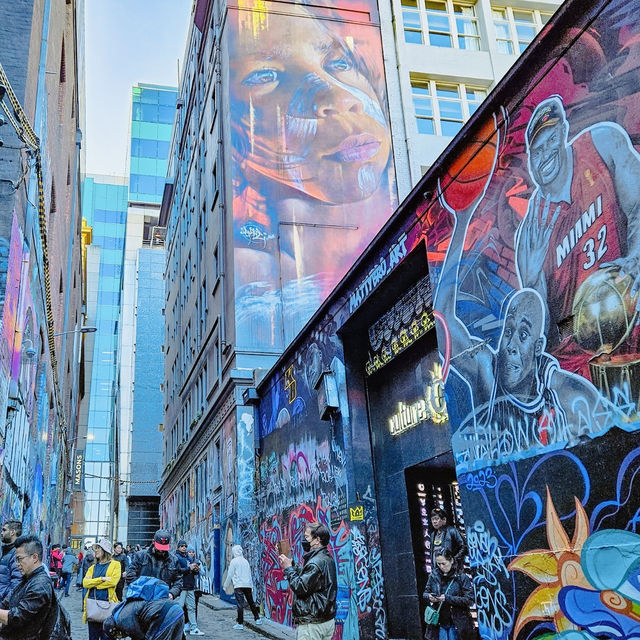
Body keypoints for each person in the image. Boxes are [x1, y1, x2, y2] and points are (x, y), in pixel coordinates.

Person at [433, 122, 619, 471]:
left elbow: (607, 428)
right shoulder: (486, 372)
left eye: (523, 334)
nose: (511, 345)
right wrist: (460, 223)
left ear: (537, 348)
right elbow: (443, 315)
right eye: (508, 331)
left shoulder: (560, 390)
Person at [229, 1, 397, 349]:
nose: (337, 96)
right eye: (265, 75)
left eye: (338, 63)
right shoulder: (256, 290)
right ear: (236, 137)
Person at [516, 95, 640, 373]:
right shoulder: (530, 233)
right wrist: (535, 278)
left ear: (563, 132)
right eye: (537, 150)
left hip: (629, 318)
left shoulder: (602, 144)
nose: (545, 154)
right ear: (531, 160)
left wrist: (636, 257)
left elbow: (638, 206)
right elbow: (545, 333)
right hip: (578, 358)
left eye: (550, 141)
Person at [278, 523, 337, 640]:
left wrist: (289, 569)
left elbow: (300, 587)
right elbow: (310, 579)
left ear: (317, 540)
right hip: (326, 621)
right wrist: (291, 564)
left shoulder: (316, 562)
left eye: (307, 537)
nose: (304, 540)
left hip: (313, 624)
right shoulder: (326, 558)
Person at [0, 535, 57, 640]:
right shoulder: (27, 579)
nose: (17, 564)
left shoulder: (40, 584)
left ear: (35, 557)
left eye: (19, 559)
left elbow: (18, 617)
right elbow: (6, 602)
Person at [423, 551, 475, 640]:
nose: (441, 567)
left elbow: (469, 600)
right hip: (438, 622)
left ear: (451, 561)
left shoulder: (461, 577)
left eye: (443, 563)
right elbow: (425, 593)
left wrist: (447, 598)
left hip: (457, 622)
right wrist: (430, 597)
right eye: (438, 564)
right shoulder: (433, 576)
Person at [126, 530, 182, 600]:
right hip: (140, 598)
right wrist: (140, 589)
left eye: (163, 548)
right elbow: (130, 575)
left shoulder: (174, 560)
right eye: (159, 548)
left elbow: (178, 581)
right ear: (153, 542)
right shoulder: (140, 556)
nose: (161, 551)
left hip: (162, 599)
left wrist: (172, 593)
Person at [83, 539, 121, 640]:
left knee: (107, 637)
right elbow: (85, 583)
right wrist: (102, 579)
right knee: (93, 637)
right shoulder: (93, 568)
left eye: (98, 549)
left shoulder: (116, 565)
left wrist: (94, 584)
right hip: (93, 607)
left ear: (105, 551)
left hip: (108, 606)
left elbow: (113, 582)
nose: (96, 551)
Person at [103, 597, 184, 640]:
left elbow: (140, 637)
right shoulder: (121, 609)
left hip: (165, 613)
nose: (121, 637)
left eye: (118, 636)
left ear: (114, 629)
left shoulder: (122, 620)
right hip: (177, 609)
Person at [223, 545, 262, 631]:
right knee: (251, 602)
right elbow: (249, 574)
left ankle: (240, 623)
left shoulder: (234, 561)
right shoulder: (245, 561)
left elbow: (230, 575)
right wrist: (251, 585)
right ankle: (257, 618)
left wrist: (225, 586)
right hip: (247, 584)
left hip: (239, 585)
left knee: (240, 604)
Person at [175, 543, 204, 635]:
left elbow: (193, 572)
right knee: (179, 608)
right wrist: (189, 568)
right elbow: (177, 571)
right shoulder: (176, 558)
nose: (184, 548)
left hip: (190, 586)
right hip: (182, 586)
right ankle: (179, 628)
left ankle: (193, 628)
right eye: (182, 546)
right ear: (178, 547)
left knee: (192, 607)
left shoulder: (189, 558)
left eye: (185, 546)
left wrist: (196, 570)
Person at [0, 521, 22, 603]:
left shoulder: (17, 553)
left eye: (4, 530)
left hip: (3, 604)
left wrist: (4, 604)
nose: (2, 533)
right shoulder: (5, 550)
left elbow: (16, 585)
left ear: (12, 532)